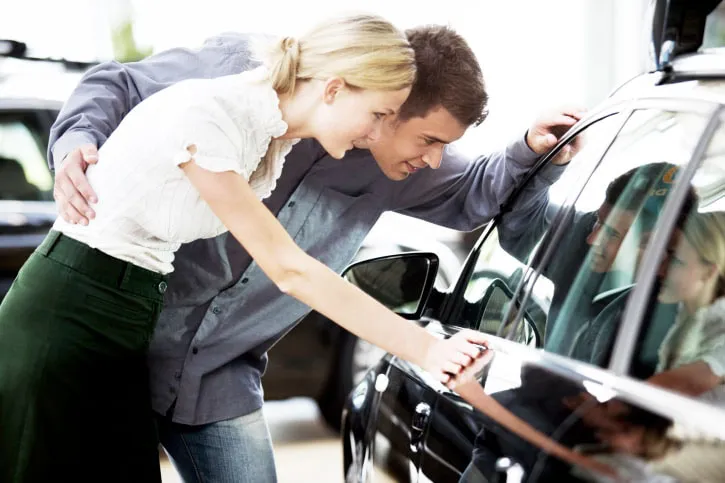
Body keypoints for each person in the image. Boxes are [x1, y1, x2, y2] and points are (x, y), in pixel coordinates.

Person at [47, 24, 581, 483]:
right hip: (118, 346)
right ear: (386, 103)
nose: (435, 160)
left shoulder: (398, 160)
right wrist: (76, 141)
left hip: (218, 377)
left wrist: (531, 149)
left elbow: (475, 195)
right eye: (427, 139)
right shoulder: (241, 75)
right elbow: (118, 82)